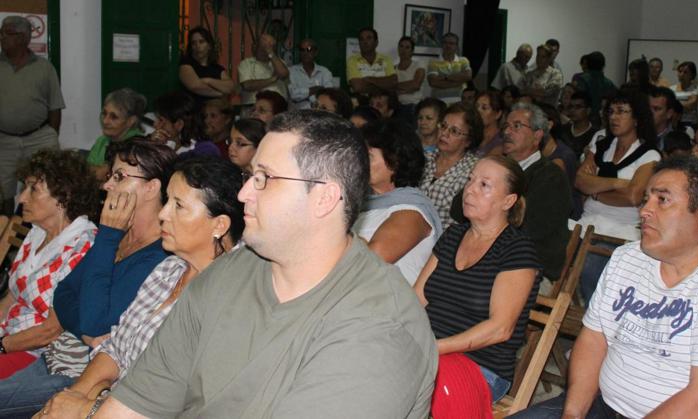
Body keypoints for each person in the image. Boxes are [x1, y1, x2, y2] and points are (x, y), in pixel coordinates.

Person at [84, 110, 437, 418]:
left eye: (264, 179)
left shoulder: (378, 328)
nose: (242, 194)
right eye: (249, 177)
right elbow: (139, 402)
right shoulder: (229, 273)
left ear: (324, 198)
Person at [511, 156, 698, 419]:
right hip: (606, 406)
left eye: (662, 200)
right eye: (646, 199)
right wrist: (573, 413)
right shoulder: (628, 258)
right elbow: (594, 340)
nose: (644, 210)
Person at [32, 157, 245, 419]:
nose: (163, 214)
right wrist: (72, 398)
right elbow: (115, 348)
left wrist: (86, 409)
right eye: (167, 201)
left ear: (219, 225)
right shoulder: (169, 269)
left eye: (178, 206)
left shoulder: (230, 298)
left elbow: (179, 403)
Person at [0, 140, 174, 417]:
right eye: (110, 176)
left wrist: (108, 235)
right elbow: (64, 294)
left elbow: (94, 324)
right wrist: (86, 329)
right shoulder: (116, 238)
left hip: (80, 376)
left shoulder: (158, 255)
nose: (107, 185)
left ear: (151, 188)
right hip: (55, 356)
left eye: (119, 177)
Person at [415, 155, 540, 403]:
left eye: (484, 185)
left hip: (481, 367)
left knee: (399, 389)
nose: (469, 189)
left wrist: (434, 348)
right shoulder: (454, 235)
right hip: (427, 352)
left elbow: (500, 329)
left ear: (508, 201)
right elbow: (417, 297)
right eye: (470, 180)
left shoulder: (517, 250)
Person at [0, 150, 99, 379]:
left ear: (62, 198)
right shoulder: (36, 231)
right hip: (9, 338)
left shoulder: (83, 247)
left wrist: (2, 345)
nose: (21, 198)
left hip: (40, 353)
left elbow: (52, 330)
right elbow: (11, 297)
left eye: (33, 189)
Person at [455, 102, 571, 280]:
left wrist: (484, 216)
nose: (507, 132)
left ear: (537, 135)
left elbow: (528, 228)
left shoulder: (551, 176)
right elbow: (457, 209)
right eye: (506, 126)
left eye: (517, 126)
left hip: (529, 267)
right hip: (481, 256)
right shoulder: (495, 168)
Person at [574, 91, 661, 303]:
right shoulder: (601, 146)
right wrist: (615, 183)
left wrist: (596, 190)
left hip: (621, 230)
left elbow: (633, 196)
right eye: (611, 112)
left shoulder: (649, 154)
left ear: (637, 118)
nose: (614, 117)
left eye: (622, 112)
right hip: (586, 222)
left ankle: (593, 320)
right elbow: (580, 182)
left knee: (589, 269)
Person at [354, 120, 442, 284]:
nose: (359, 162)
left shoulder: (412, 211)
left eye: (368, 156)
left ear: (394, 161)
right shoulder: (363, 204)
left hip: (390, 305)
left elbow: (369, 262)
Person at [0, 16, 65, 215]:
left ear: (21, 38)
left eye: (5, 33)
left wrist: (51, 137)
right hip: (4, 140)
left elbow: (55, 108)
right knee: (3, 193)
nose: (1, 37)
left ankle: (34, 237)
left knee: (42, 188)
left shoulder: (44, 68)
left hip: (39, 138)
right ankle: (4, 240)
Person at [420, 103, 482, 229]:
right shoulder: (423, 159)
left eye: (454, 131)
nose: (444, 133)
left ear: (469, 141)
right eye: (443, 126)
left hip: (445, 242)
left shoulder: (474, 171)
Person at [86, 88, 147, 181]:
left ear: (131, 121)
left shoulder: (137, 144)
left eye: (114, 117)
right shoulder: (102, 141)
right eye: (104, 113)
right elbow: (84, 172)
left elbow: (101, 175)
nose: (105, 121)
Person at [178, 26, 234, 107]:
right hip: (193, 113)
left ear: (209, 46)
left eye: (201, 42)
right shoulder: (186, 63)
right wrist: (220, 93)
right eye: (194, 43)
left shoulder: (217, 68)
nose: (197, 46)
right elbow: (195, 86)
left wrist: (208, 80)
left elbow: (230, 87)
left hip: (215, 114)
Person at [149, 91, 217, 156]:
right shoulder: (159, 143)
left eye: (161, 120)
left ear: (179, 125)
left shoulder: (204, 151)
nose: (155, 124)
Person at [238, 33, 289, 112]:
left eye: (271, 46)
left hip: (278, 107)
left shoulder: (279, 62)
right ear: (255, 47)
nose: (265, 49)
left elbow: (283, 74)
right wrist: (272, 79)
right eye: (264, 46)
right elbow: (247, 85)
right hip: (254, 108)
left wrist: (270, 52)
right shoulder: (246, 63)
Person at [346, 27, 397, 97]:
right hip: (362, 102)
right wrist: (384, 85)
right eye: (361, 39)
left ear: (376, 42)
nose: (365, 42)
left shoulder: (386, 59)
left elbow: (393, 82)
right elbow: (358, 87)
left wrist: (369, 79)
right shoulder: (352, 60)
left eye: (369, 38)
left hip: (384, 102)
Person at [287, 38, 335, 110]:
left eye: (309, 49)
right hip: (297, 115)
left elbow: (328, 94)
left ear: (315, 52)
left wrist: (304, 94)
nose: (305, 53)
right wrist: (314, 89)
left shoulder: (325, 72)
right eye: (302, 50)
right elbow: (293, 95)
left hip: (319, 115)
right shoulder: (291, 71)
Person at [427, 33, 472, 104]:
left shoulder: (463, 60)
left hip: (460, 101)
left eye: (451, 43)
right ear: (442, 45)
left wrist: (445, 77)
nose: (448, 45)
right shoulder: (433, 62)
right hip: (439, 101)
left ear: (456, 46)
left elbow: (468, 76)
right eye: (445, 43)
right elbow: (433, 82)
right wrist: (458, 82)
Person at [574, 51, 616, 123]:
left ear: (588, 64)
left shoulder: (581, 79)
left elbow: (577, 101)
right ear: (603, 65)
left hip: (584, 120)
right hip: (603, 120)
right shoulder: (609, 83)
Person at [395, 36, 425, 120]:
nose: (403, 50)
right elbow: (391, 89)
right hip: (398, 107)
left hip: (414, 106)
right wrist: (408, 88)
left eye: (407, 47)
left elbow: (416, 85)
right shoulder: (394, 68)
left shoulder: (419, 65)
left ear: (412, 51)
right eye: (401, 46)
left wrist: (396, 87)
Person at [561, 90, 598, 157]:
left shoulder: (595, 135)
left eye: (578, 107)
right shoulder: (562, 130)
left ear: (588, 111)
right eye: (571, 106)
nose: (573, 110)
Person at [671, 61, 698, 128]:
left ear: (692, 75)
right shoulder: (672, 89)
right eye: (680, 71)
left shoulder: (696, 89)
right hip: (674, 123)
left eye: (685, 72)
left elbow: (690, 106)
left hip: (690, 123)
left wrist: (674, 104)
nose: (681, 74)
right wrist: (685, 101)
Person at [474, 90, 504, 156]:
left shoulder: (501, 142)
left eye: (484, 108)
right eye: (476, 107)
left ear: (498, 114)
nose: (478, 111)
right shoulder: (472, 136)